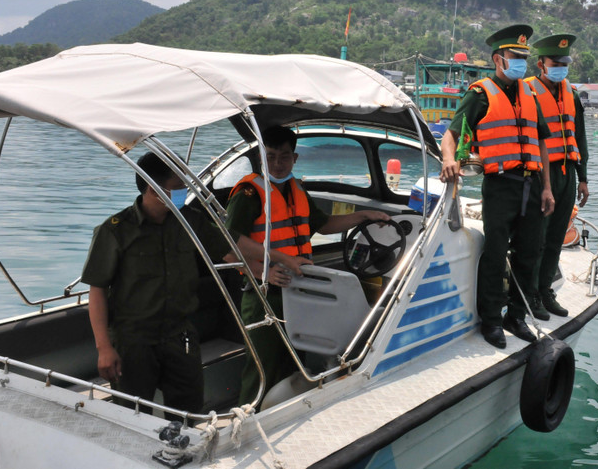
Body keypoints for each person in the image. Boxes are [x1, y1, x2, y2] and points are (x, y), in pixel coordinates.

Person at [83, 152, 306, 415]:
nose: (183, 193)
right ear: (153, 189)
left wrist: (283, 259)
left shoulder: (190, 220)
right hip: (133, 341)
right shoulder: (114, 231)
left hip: (180, 336)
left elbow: (232, 243)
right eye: (177, 188)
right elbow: (97, 291)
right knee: (132, 413)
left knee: (188, 410)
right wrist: (104, 348)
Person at [226, 125, 390, 407]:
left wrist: (363, 215)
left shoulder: (297, 189)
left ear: (295, 158)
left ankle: (284, 417)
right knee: (261, 367)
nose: (278, 164)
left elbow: (323, 224)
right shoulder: (249, 194)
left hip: (299, 291)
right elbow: (230, 242)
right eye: (271, 156)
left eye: (285, 157)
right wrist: (269, 266)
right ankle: (248, 419)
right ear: (261, 158)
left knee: (295, 363)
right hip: (264, 294)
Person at [439, 24, 554, 349]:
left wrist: (547, 188)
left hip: (533, 186)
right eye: (514, 57)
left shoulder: (531, 95)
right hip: (501, 185)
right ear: (497, 59)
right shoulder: (480, 94)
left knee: (530, 252)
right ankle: (490, 319)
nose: (520, 62)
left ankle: (515, 316)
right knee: (494, 252)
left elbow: (542, 144)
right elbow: (452, 133)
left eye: (523, 57)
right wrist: (450, 159)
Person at [525, 34, 589, 319]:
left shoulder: (571, 94)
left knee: (556, 238)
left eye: (565, 63)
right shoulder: (526, 91)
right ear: (541, 63)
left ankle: (545, 290)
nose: (561, 67)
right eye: (555, 62)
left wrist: (583, 177)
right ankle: (530, 294)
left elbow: (580, 137)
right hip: (539, 173)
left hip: (566, 173)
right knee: (536, 237)